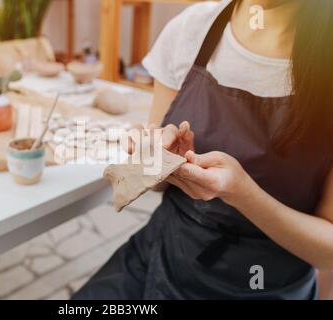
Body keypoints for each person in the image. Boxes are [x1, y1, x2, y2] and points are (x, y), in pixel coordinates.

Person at [73, 0, 333, 299]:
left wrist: (243, 194)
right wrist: (156, 159)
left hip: (267, 283)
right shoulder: (192, 30)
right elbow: (156, 184)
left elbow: (328, 254)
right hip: (166, 251)